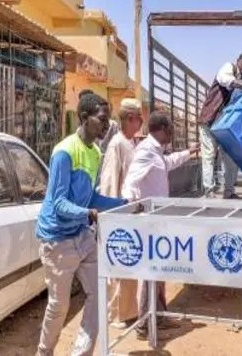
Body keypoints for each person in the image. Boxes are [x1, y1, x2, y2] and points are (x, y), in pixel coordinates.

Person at [35, 93, 130, 356]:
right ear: (84, 118)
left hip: (81, 234)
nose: (106, 124)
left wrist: (123, 203)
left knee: (99, 295)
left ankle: (81, 352)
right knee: (59, 306)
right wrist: (89, 214)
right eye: (101, 119)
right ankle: (44, 353)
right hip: (57, 239)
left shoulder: (95, 152)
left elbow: (92, 197)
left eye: (107, 119)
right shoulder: (64, 152)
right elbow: (58, 204)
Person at [122, 110, 200, 340]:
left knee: (159, 271)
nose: (173, 134)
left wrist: (188, 152)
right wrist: (130, 205)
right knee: (149, 274)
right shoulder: (146, 151)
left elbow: (167, 163)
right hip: (148, 223)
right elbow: (130, 182)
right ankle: (144, 324)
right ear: (163, 129)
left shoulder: (156, 152)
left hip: (157, 222)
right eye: (171, 129)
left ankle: (159, 316)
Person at [98, 98, 143, 329]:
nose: (141, 122)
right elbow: (109, 184)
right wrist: (113, 215)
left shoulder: (130, 142)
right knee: (119, 268)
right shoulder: (117, 144)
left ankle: (127, 313)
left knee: (129, 268)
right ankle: (117, 315)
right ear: (127, 119)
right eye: (138, 117)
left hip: (130, 215)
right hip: (119, 215)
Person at [198, 52, 242, 199]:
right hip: (209, 120)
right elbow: (226, 80)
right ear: (238, 61)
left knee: (231, 158)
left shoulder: (240, 82)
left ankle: (229, 191)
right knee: (209, 155)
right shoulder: (228, 68)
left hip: (223, 126)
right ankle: (209, 191)